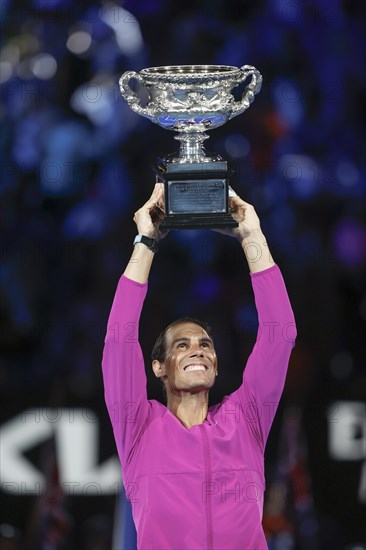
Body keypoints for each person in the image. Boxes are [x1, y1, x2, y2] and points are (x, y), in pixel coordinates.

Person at [102, 182, 297, 549]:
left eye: (206, 344)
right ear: (158, 367)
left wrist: (251, 235)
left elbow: (280, 334)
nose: (199, 351)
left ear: (217, 365)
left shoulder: (246, 419)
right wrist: (146, 242)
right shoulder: (138, 428)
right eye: (182, 344)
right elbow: (119, 340)